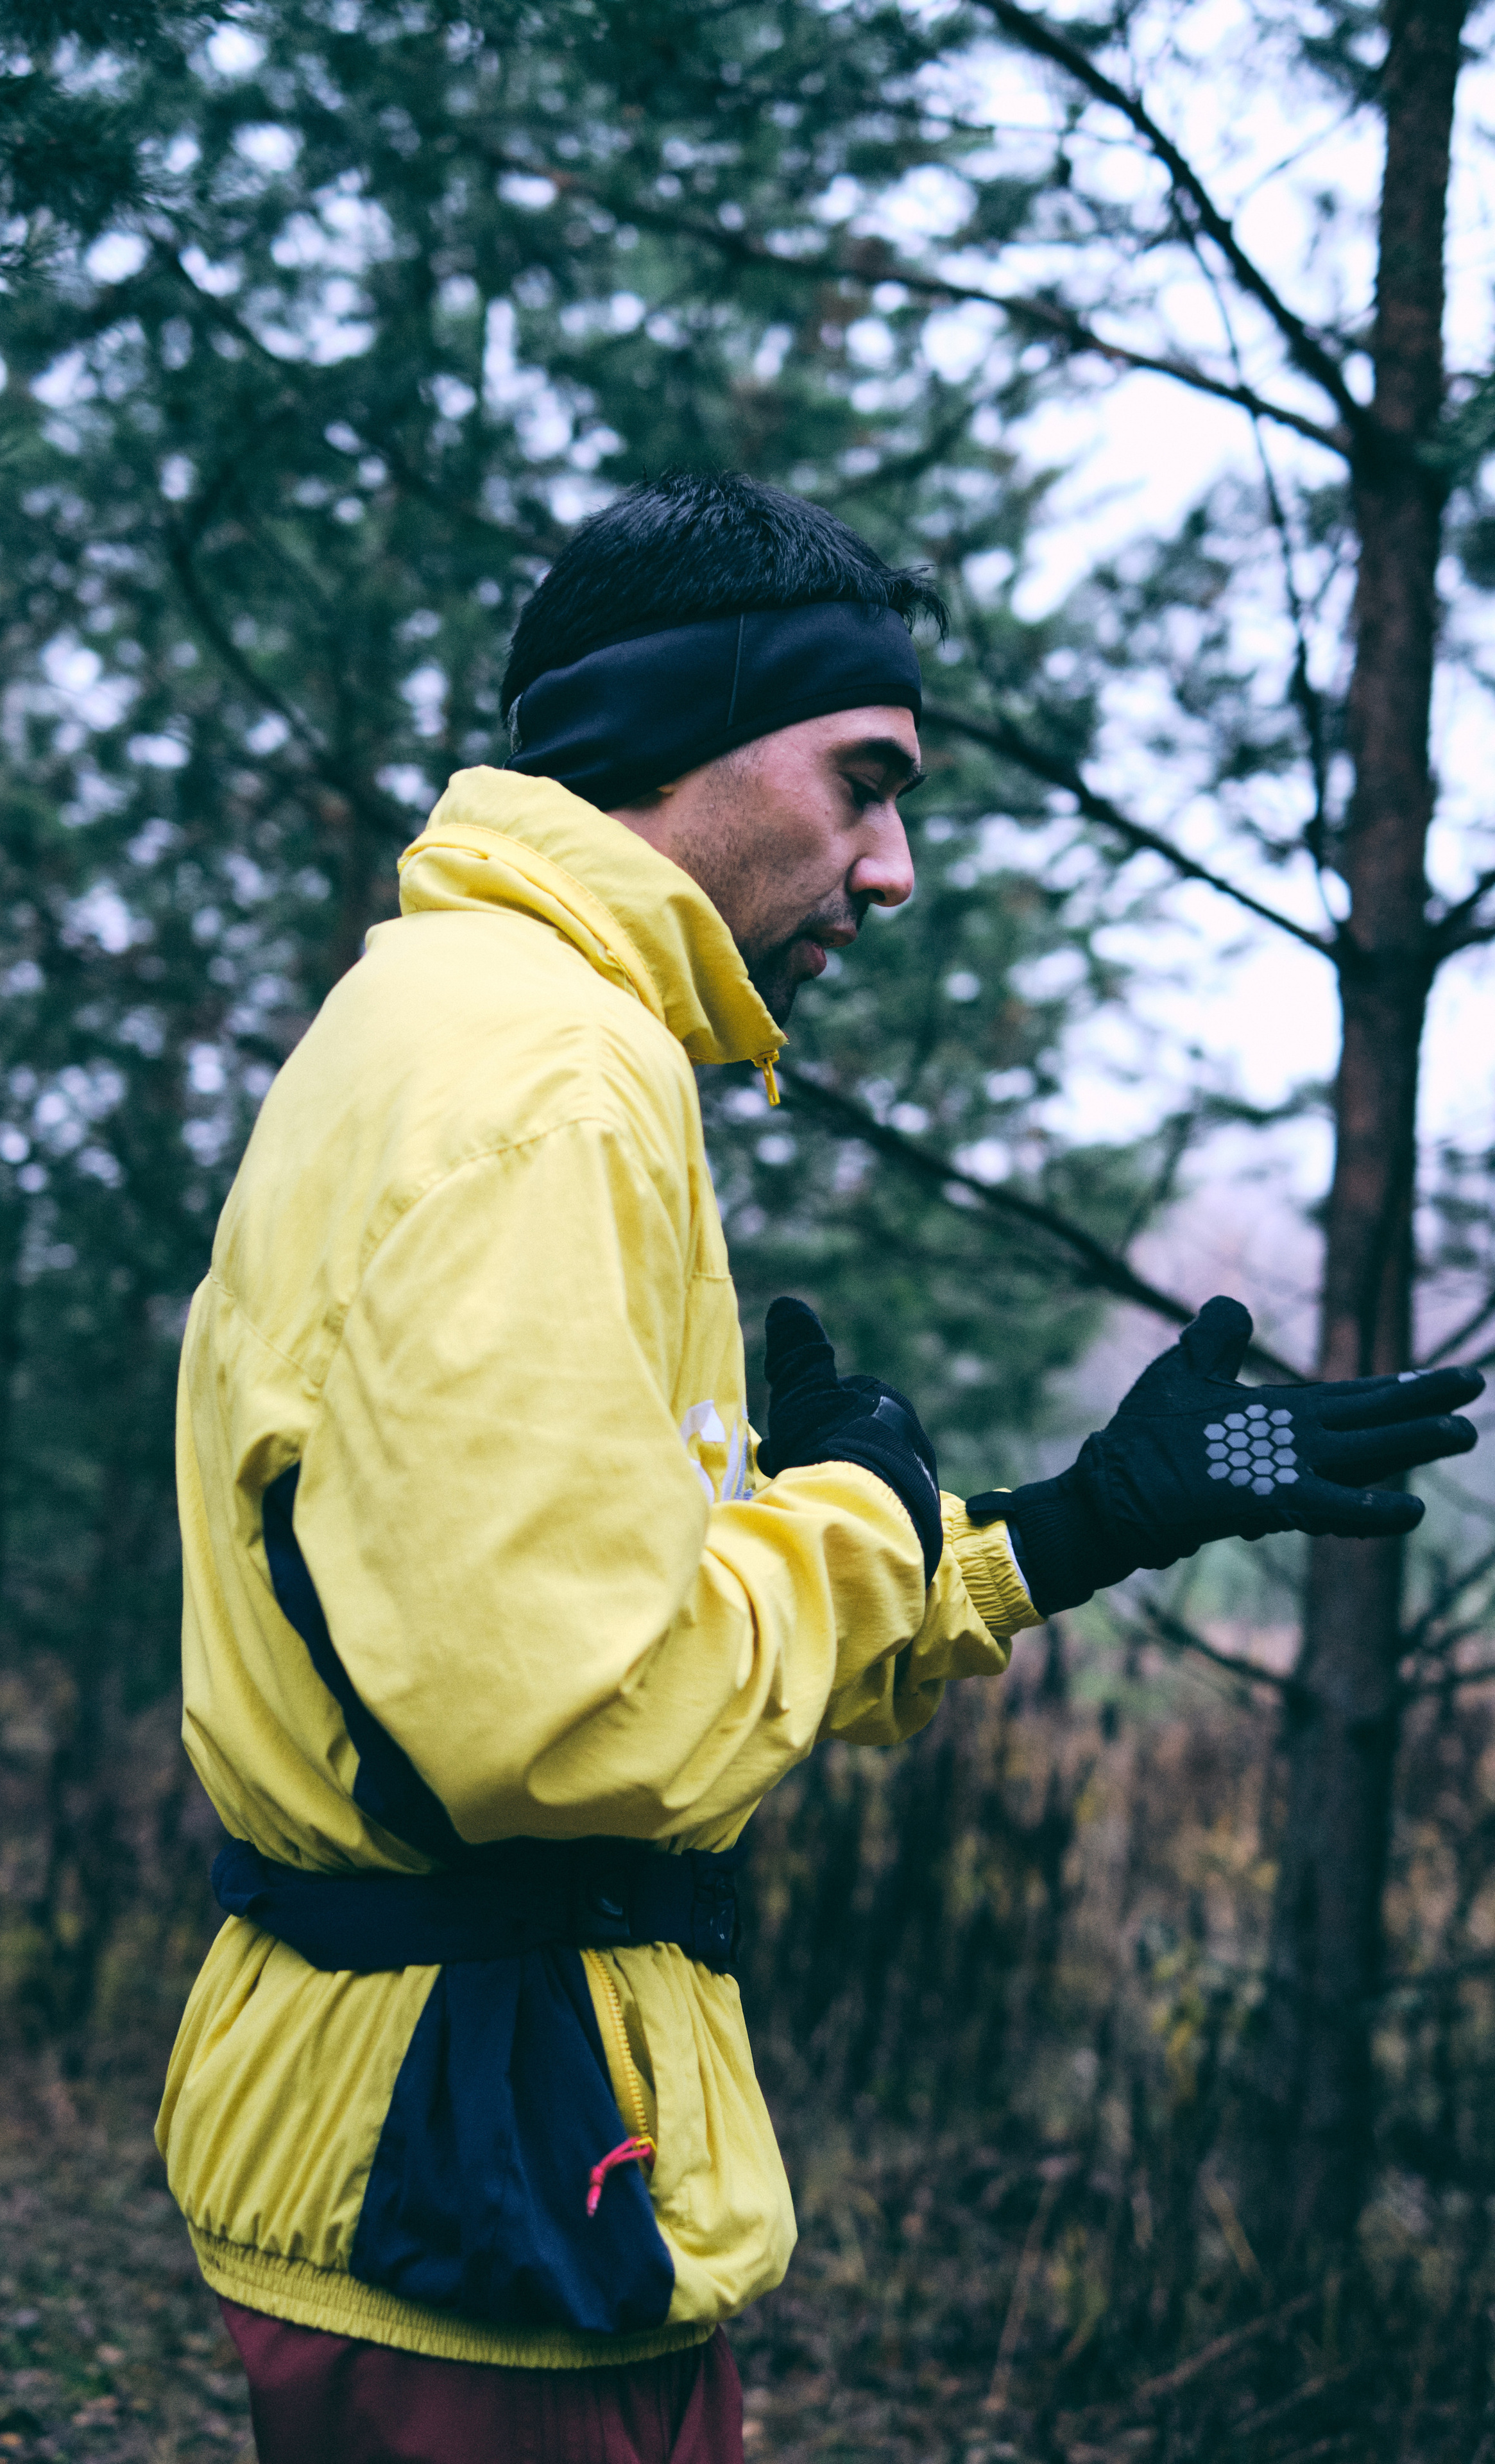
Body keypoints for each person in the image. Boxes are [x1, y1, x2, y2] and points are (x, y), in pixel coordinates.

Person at [157, 470, 1482, 2464]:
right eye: (862, 783)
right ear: (669, 741)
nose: (893, 869)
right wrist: (854, 1511)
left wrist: (1069, 1531)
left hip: (472, 2148)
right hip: (488, 2174)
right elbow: (564, 1724)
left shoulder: (467, 1022)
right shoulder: (549, 1081)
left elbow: (618, 1622)